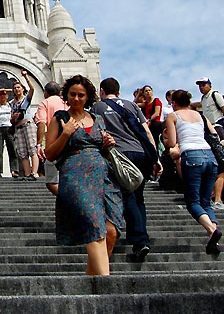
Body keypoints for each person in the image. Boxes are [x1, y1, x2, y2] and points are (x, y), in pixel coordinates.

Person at [45, 75, 123, 276]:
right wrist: (66, 133)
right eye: (72, 94)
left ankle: (92, 279)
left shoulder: (97, 119)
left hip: (103, 177)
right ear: (66, 95)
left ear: (88, 97)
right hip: (75, 177)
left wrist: (107, 145)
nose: (76, 99)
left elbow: (103, 150)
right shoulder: (60, 118)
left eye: (81, 95)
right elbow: (50, 154)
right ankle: (106, 284)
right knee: (95, 228)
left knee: (111, 231)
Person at [92, 77, 160, 262]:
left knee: (127, 196)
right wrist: (155, 157)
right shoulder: (131, 105)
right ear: (119, 92)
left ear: (102, 91)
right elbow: (146, 131)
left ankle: (139, 240)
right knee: (138, 198)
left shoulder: (98, 107)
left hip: (120, 156)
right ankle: (139, 237)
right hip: (141, 153)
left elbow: (97, 134)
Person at [163, 89, 222, 254]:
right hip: (210, 156)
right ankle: (213, 240)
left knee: (193, 202)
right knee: (205, 202)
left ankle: (211, 230)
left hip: (191, 156)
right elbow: (214, 134)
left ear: (173, 103)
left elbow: (173, 142)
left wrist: (166, 140)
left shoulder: (173, 116)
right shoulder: (199, 115)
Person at [191, 78, 224, 211]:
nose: (201, 87)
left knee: (220, 162)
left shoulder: (215, 95)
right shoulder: (203, 99)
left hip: (218, 127)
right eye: (199, 85)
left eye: (204, 85)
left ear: (210, 85)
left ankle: (216, 198)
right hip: (208, 130)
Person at [35, 81, 68, 196]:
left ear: (46, 92)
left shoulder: (44, 103)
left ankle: (64, 197)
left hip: (53, 142)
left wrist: (39, 144)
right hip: (67, 140)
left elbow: (41, 123)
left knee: (52, 180)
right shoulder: (66, 102)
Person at [11, 71, 38, 181]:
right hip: (18, 127)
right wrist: (13, 117)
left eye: (19, 87)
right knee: (22, 152)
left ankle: (34, 173)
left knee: (32, 148)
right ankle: (27, 175)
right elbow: (11, 119)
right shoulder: (12, 103)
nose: (17, 89)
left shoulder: (26, 99)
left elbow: (32, 89)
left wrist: (26, 77)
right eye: (15, 88)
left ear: (22, 88)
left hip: (28, 125)